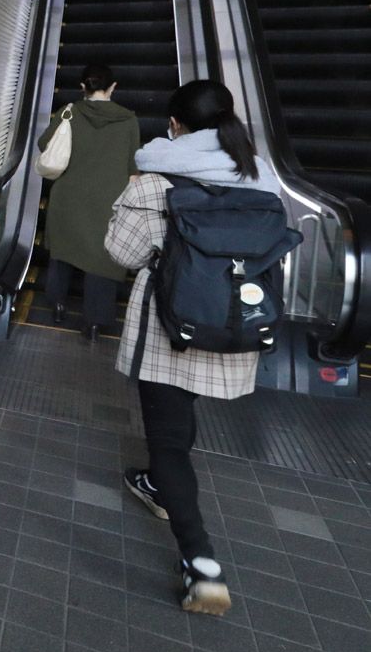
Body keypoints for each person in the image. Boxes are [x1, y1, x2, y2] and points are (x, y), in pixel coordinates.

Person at [104, 79, 282, 616]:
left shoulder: (155, 182)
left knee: (168, 443)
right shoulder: (260, 180)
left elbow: (121, 252)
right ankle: (159, 483)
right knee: (181, 419)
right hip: (233, 325)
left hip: (171, 327)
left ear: (174, 125)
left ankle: (201, 563)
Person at [37, 63, 140, 340]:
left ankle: (57, 306)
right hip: (108, 200)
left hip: (68, 196)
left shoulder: (69, 112)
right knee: (103, 260)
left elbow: (44, 144)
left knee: (62, 253)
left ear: (83, 87)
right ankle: (94, 322)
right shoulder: (128, 120)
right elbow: (133, 168)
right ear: (113, 87)